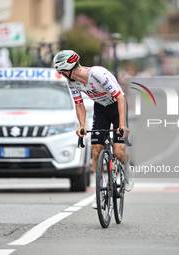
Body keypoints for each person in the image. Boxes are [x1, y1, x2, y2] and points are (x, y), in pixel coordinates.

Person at [53, 50, 134, 208]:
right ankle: (100, 191)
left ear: (68, 69)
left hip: (117, 107)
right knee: (96, 151)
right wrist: (82, 125)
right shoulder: (72, 82)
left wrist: (122, 125)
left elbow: (119, 97)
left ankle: (127, 171)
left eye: (61, 72)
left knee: (118, 152)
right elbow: (79, 104)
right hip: (101, 109)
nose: (61, 75)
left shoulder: (97, 74)